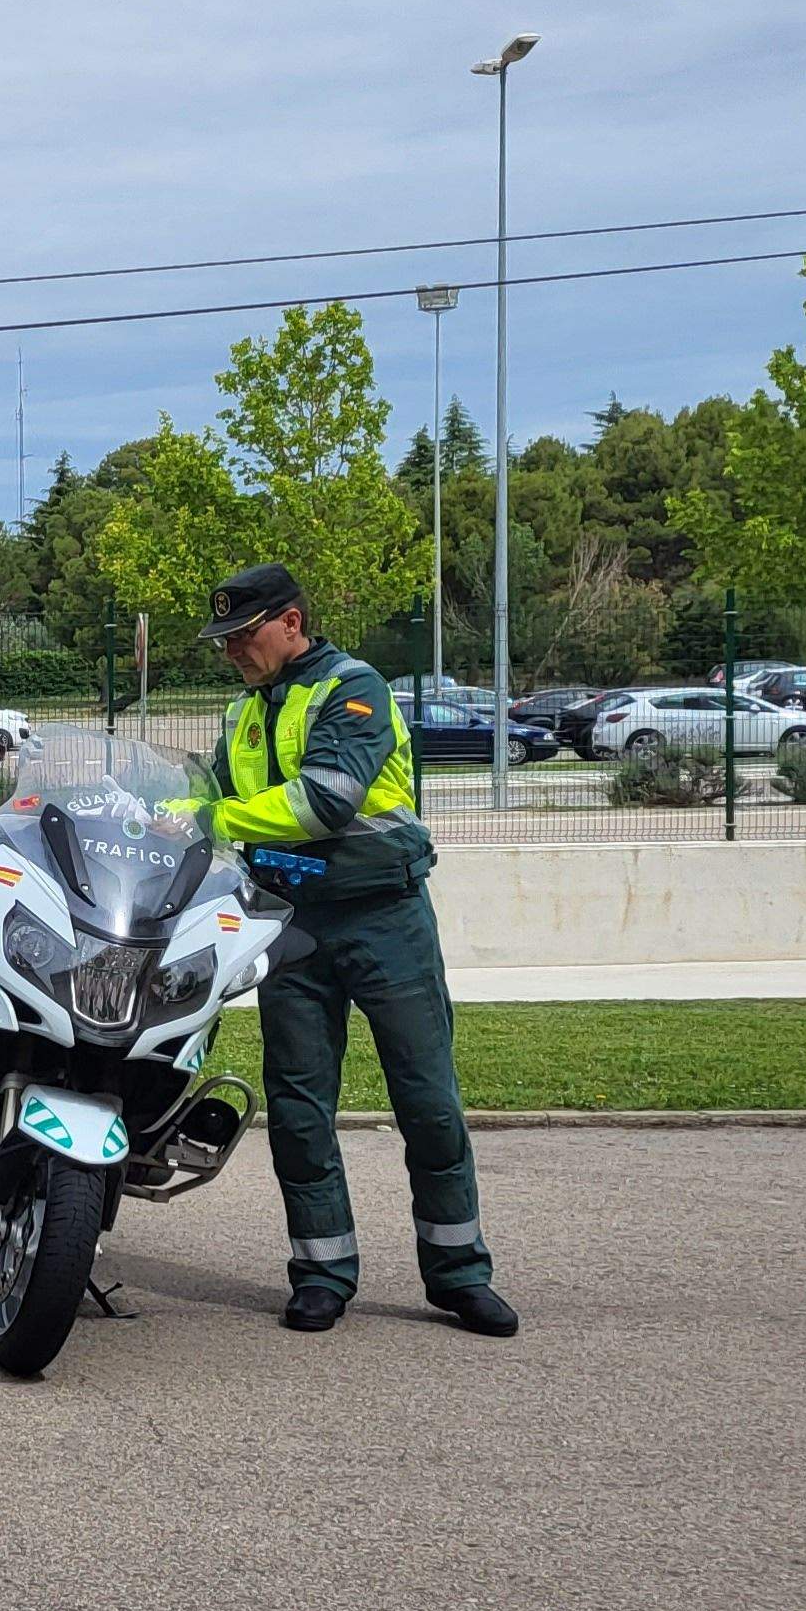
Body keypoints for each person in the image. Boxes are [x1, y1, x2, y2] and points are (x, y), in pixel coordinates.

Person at [179, 563, 517, 1337]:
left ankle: (459, 1274)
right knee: (299, 1112)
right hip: (290, 923)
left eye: (245, 634)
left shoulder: (353, 689)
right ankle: (322, 1272)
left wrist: (209, 820)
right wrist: (160, 816)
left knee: (428, 1104)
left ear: (292, 622)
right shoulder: (244, 713)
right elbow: (213, 800)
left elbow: (324, 801)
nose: (233, 650)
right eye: (224, 640)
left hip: (382, 916)